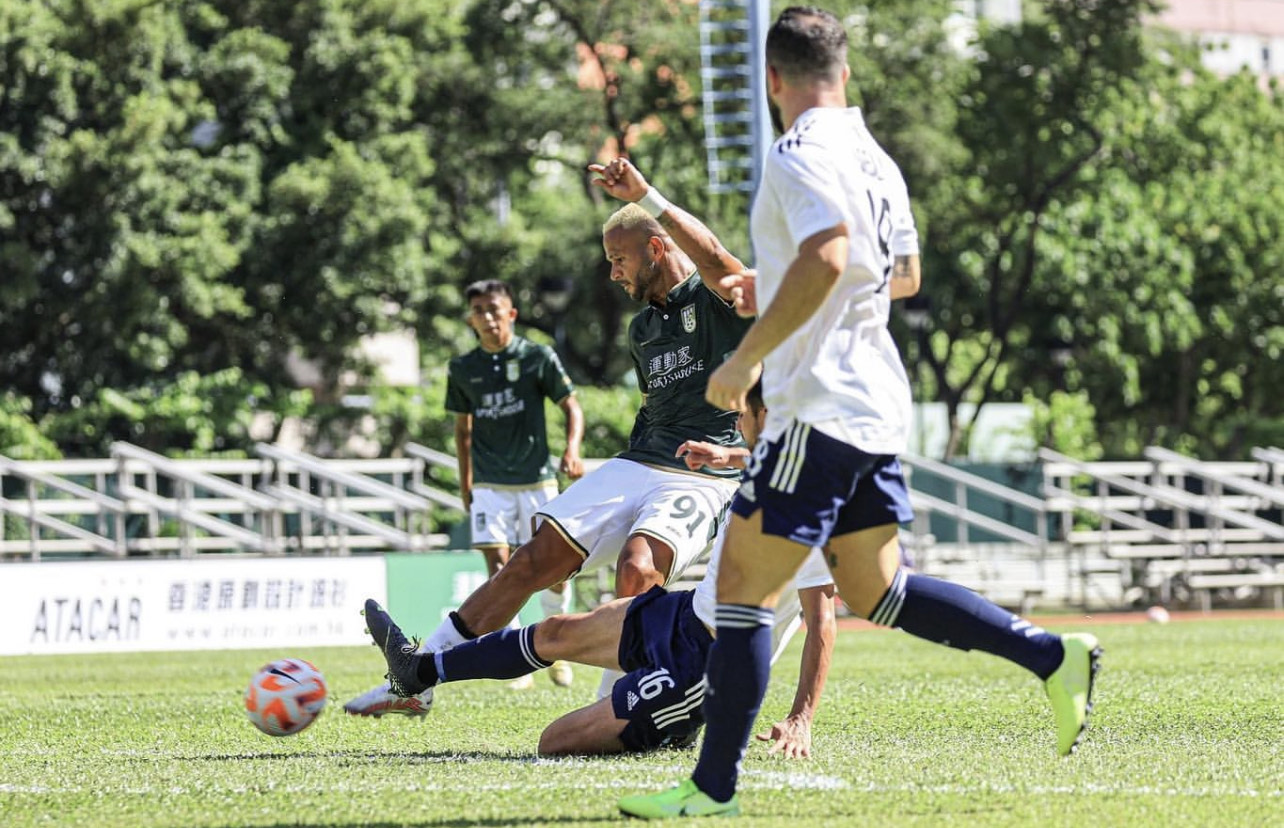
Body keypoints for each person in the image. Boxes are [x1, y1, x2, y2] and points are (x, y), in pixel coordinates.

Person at [618, 7, 1102, 819]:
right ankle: (1053, 656)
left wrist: (743, 358)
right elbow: (897, 274)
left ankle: (711, 789)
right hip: (875, 401)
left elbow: (831, 256)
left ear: (773, 79)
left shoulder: (797, 150)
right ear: (843, 72)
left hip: (821, 407)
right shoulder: (874, 157)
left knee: (737, 586)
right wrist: (772, 289)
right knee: (877, 589)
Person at [352, 161, 756, 712]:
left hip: (705, 474)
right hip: (638, 462)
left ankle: (626, 698)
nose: (613, 273)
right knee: (530, 562)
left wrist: (649, 196)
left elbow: (713, 256)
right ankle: (413, 683)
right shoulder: (642, 330)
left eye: (619, 259)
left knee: (638, 570)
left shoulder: (717, 301)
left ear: (655, 249)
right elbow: (651, 411)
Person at [362, 384, 837, 758]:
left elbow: (822, 622)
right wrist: (727, 456)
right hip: (683, 616)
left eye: (742, 415)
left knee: (555, 741)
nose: (733, 422)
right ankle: (417, 672)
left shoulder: (805, 509)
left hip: (704, 666)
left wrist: (802, 718)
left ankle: (673, 723)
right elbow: (770, 457)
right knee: (552, 631)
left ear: (770, 420)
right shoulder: (775, 463)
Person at [346, 279, 584, 714]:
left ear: (511, 313)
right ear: (470, 318)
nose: (487, 317)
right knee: (500, 570)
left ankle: (558, 647)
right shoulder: (463, 368)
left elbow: (571, 405)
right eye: (478, 310)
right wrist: (466, 484)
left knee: (554, 573)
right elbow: (463, 431)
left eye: (494, 308)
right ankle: (518, 662)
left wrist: (572, 449)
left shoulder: (536, 357)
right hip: (490, 485)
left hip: (536, 480)